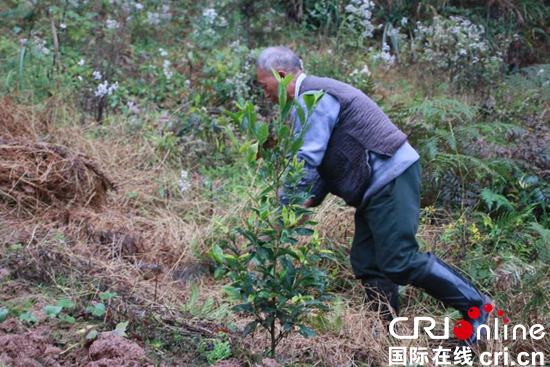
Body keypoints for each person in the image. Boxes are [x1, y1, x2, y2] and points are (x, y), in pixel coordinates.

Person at [255, 46, 491, 345]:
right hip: (374, 187)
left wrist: (283, 209)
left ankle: (477, 309)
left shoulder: (313, 97)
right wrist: (301, 206)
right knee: (368, 262)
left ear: (282, 75)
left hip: (390, 178)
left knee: (399, 260)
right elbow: (322, 164)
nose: (265, 95)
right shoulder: (312, 97)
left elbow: (307, 159)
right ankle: (387, 334)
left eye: (264, 85)